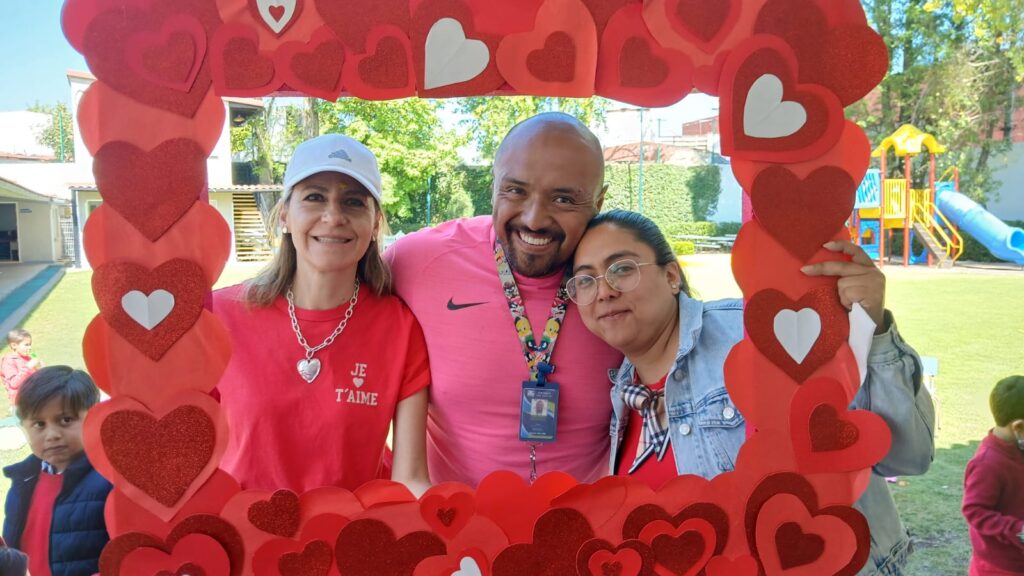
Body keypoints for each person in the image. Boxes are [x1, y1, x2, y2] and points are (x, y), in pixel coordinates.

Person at [568, 210, 935, 575]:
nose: (604, 291)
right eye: (585, 280)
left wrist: (873, 328)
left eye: (622, 269)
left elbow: (906, 455)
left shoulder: (755, 334)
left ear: (671, 276)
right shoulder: (619, 399)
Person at [386, 113, 622, 486]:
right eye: (515, 191)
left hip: (583, 520)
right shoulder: (415, 262)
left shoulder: (625, 282)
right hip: (451, 518)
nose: (534, 219)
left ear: (599, 201)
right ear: (493, 186)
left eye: (563, 199)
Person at [213, 134, 430, 496]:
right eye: (314, 197)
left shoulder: (400, 329)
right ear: (285, 215)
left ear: (375, 224)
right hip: (242, 529)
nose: (333, 217)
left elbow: (409, 480)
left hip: (355, 531)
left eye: (353, 202)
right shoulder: (218, 316)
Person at [2, 366, 111, 576]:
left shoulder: (109, 482)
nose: (52, 434)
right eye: (39, 424)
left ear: (94, 417)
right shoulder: (22, 483)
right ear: (24, 427)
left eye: (66, 420)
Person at [962, 375, 1024, 576]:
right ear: (1018, 427)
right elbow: (974, 510)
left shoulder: (1018, 448)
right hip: (1000, 566)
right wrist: (1019, 530)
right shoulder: (987, 463)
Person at [2, 329, 43, 405]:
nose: (30, 347)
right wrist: (28, 367)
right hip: (21, 402)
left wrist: (40, 368)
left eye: (30, 344)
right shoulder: (9, 361)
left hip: (33, 397)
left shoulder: (28, 358)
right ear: (14, 345)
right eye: (26, 345)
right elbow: (14, 383)